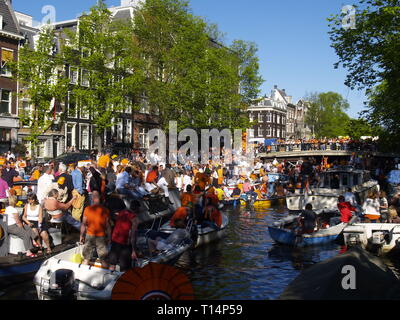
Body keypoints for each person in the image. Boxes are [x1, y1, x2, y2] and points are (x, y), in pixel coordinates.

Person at [80, 191, 111, 268]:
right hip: (101, 237)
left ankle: (82, 276)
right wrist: (110, 237)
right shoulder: (106, 210)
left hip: (89, 236)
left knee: (86, 259)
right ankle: (106, 277)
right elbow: (108, 226)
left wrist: (81, 236)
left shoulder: (87, 209)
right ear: (99, 198)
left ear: (92, 198)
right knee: (103, 260)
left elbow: (83, 224)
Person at [108, 200, 139, 272]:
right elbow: (133, 236)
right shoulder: (134, 219)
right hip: (124, 243)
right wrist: (134, 250)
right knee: (125, 266)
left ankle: (110, 276)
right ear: (137, 208)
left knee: (112, 264)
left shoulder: (121, 213)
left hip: (115, 240)